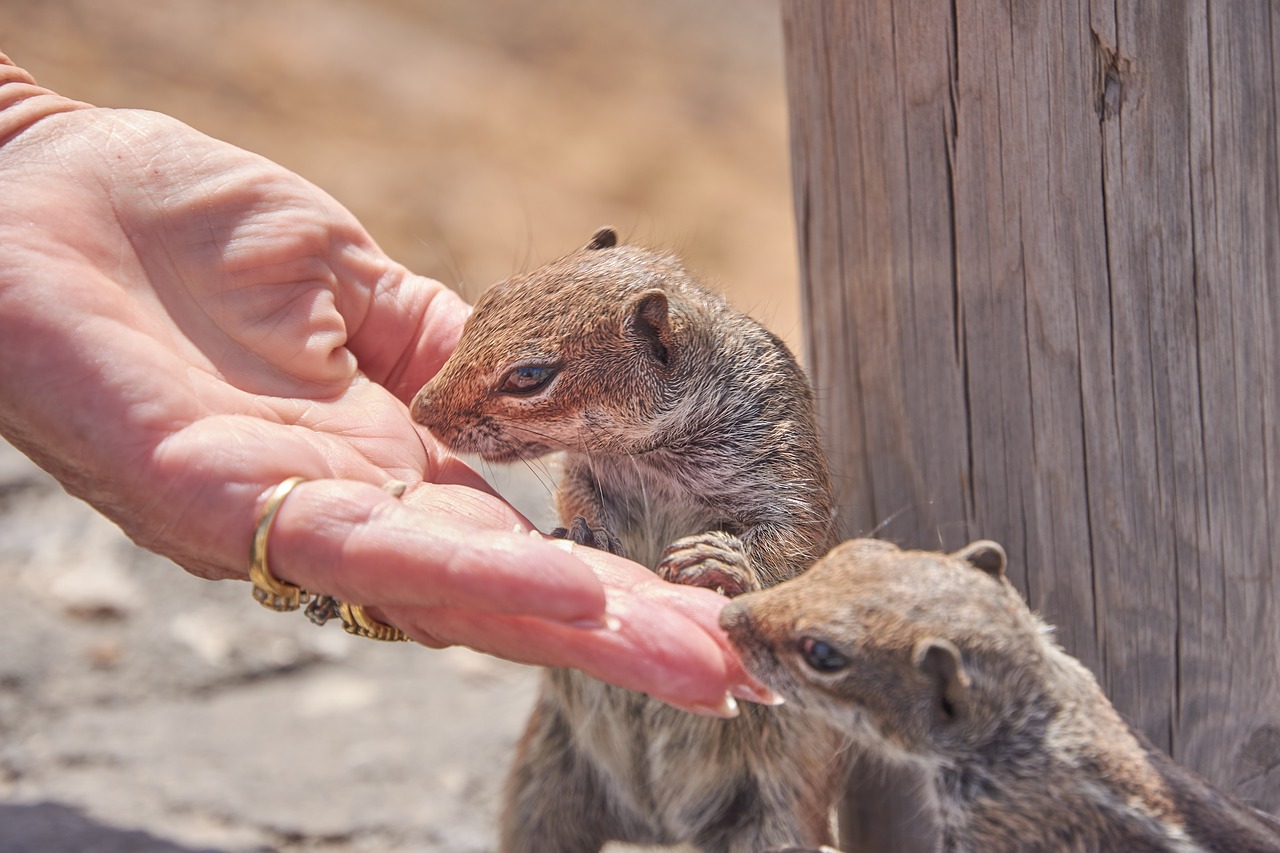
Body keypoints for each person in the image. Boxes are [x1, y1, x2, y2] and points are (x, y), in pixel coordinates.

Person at [0, 51, 772, 717]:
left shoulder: (750, 411)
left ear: (657, 344)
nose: (430, 409)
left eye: (529, 379)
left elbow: (789, 521)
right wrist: (23, 141)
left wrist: (23, 129)